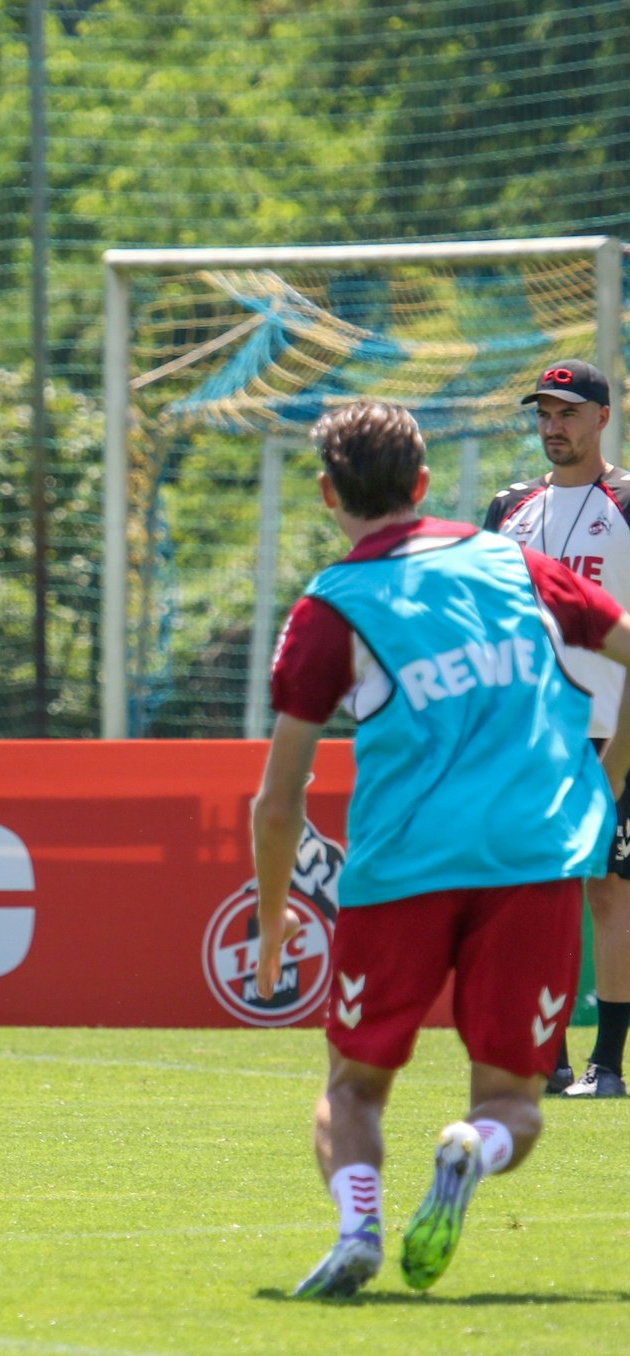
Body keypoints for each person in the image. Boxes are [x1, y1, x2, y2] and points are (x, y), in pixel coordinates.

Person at [254, 399, 630, 1300]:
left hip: (403, 870)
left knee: (352, 1087)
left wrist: (273, 926)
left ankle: (358, 1228)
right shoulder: (515, 561)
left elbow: (278, 796)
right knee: (512, 1103)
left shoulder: (331, 605)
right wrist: (604, 785)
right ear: (424, 485)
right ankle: (470, 1147)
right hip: (533, 860)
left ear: (325, 493)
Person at [482, 358, 630, 1097]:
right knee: (536, 895)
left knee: (608, 890)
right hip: (531, 734)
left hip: (615, 730)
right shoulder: (508, 509)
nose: (552, 427)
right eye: (543, 413)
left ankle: (606, 1064)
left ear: (604, 415)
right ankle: (550, 1058)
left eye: (567, 413)